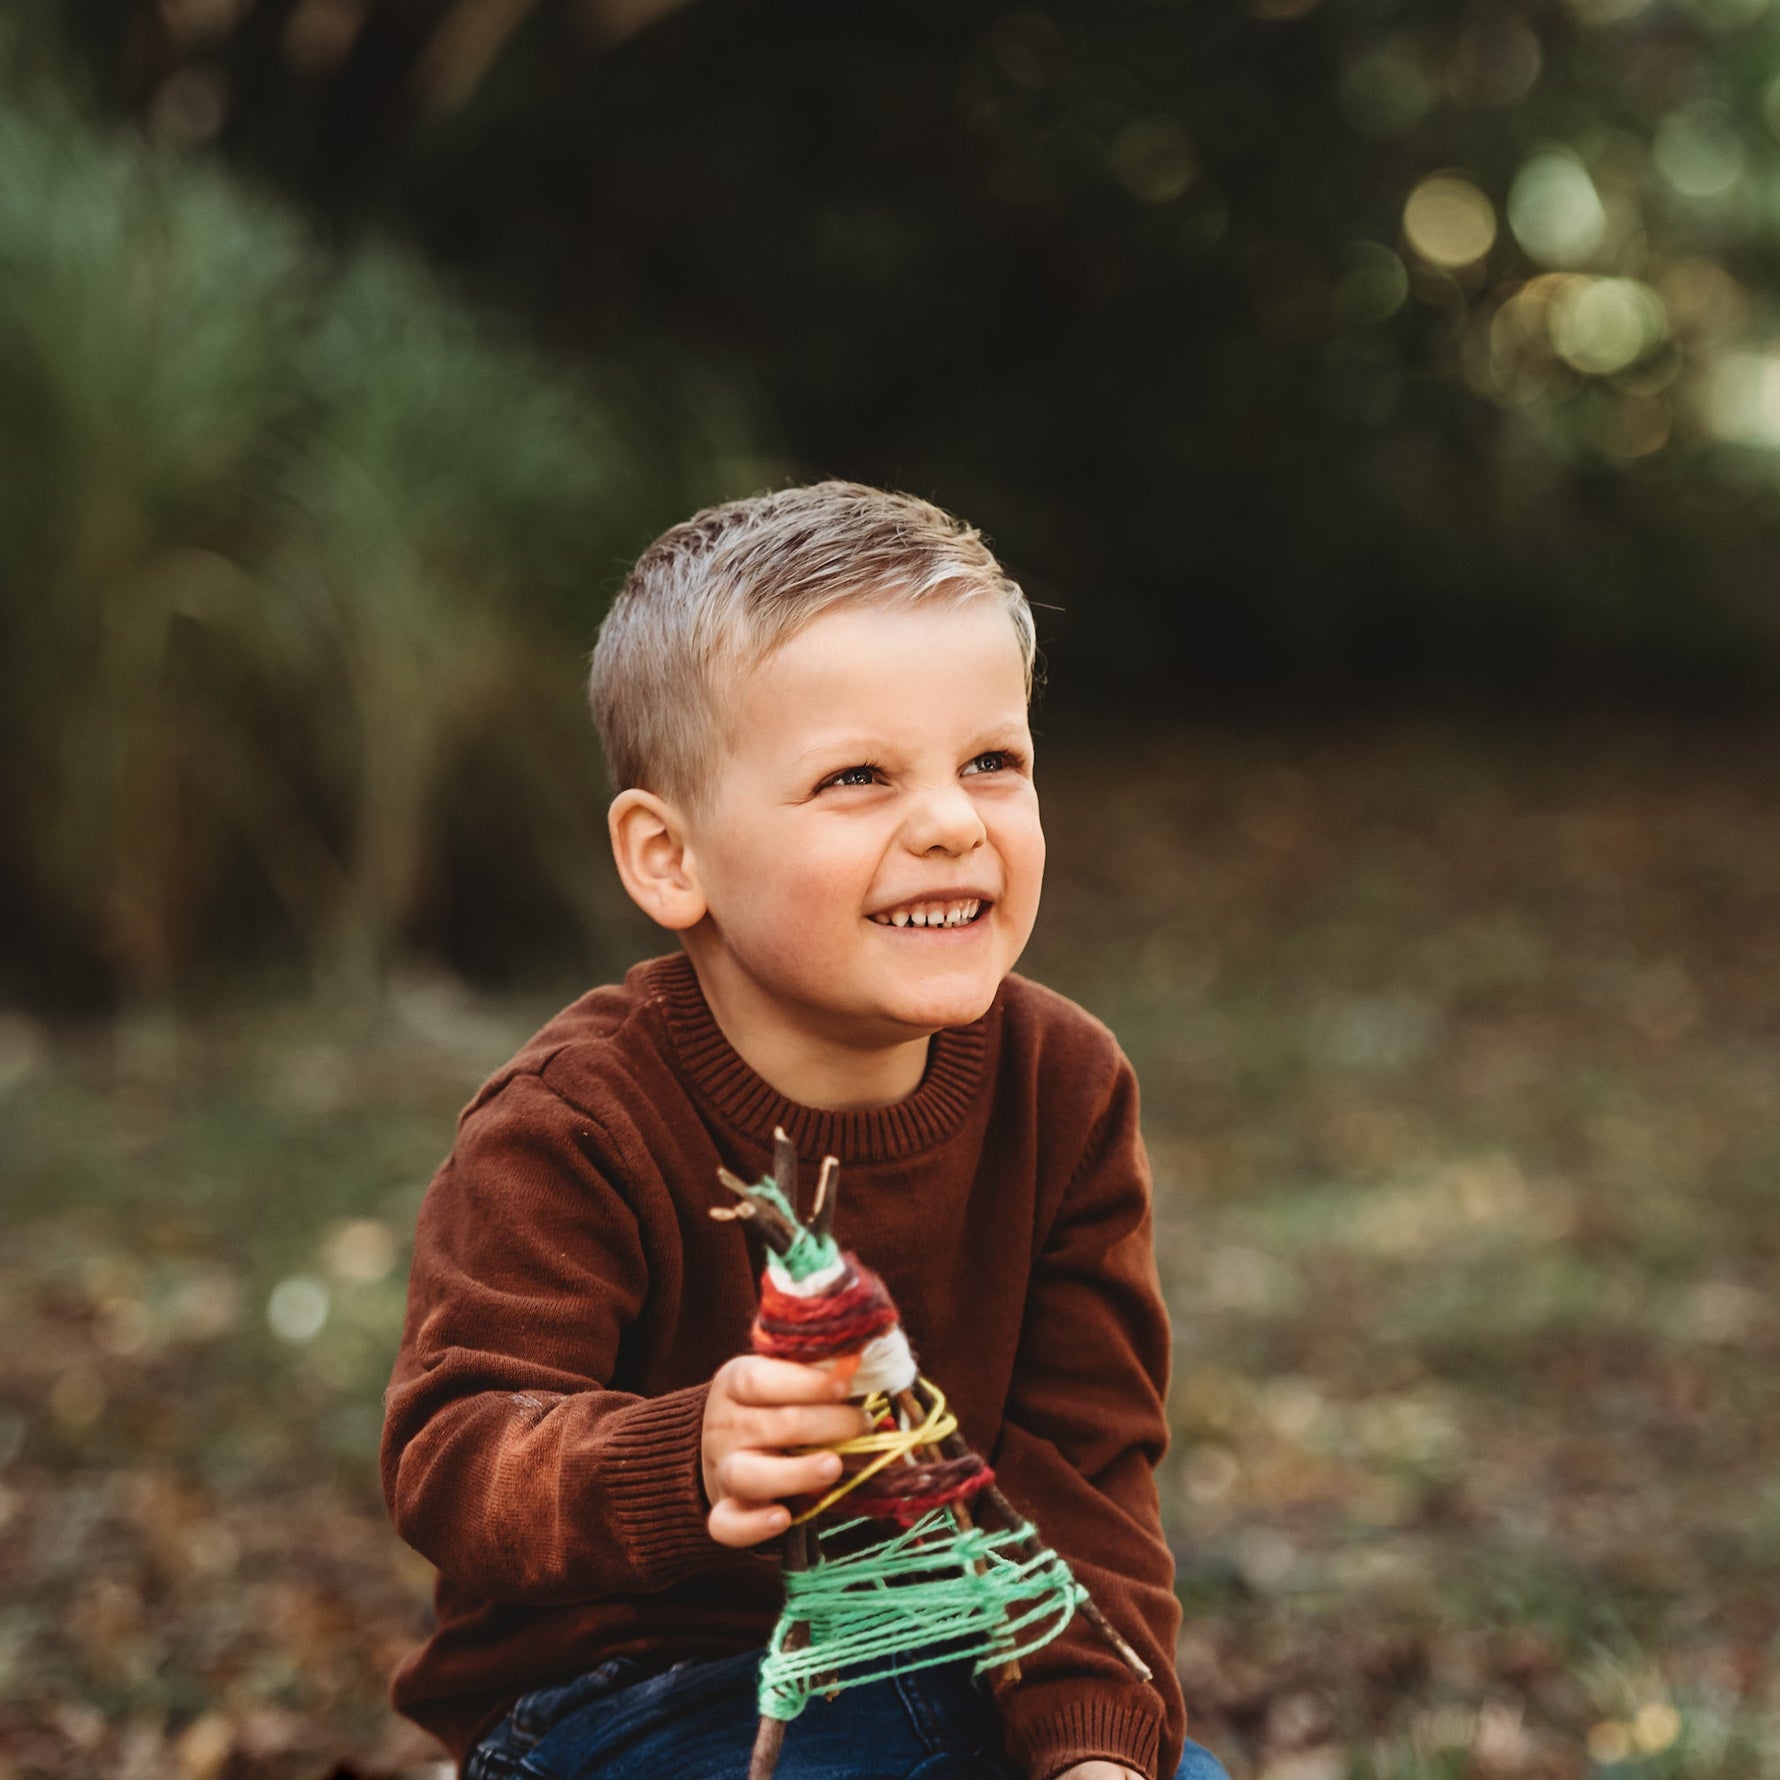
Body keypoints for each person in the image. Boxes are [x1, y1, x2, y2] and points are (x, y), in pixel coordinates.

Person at [381, 482, 1230, 1780]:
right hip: (622, 1698)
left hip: (961, 1660)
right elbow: (456, 1454)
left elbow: (1083, 1479)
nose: (952, 821)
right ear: (672, 858)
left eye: (992, 762)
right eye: (858, 777)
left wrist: (1094, 1756)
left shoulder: (1064, 1089)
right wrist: (690, 1450)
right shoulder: (575, 1123)